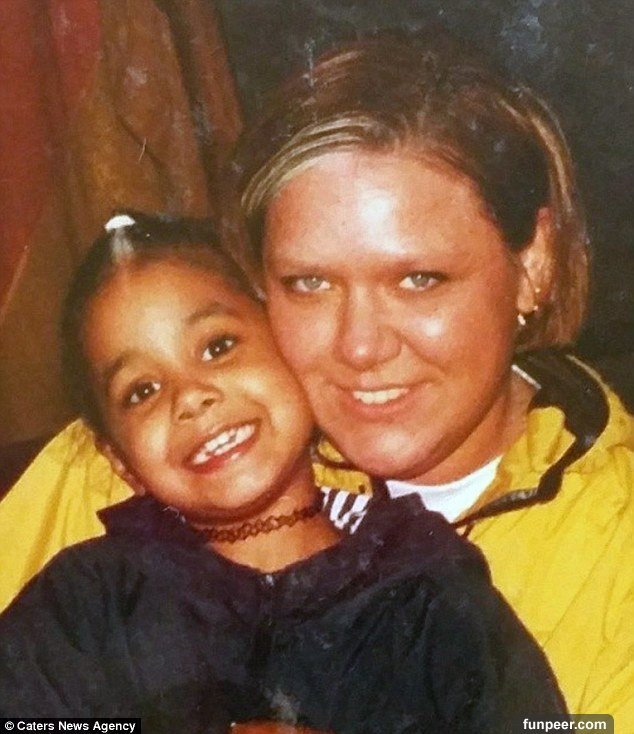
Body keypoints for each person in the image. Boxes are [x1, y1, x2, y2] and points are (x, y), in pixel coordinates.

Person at [0, 28, 632, 723]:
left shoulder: (613, 549)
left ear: (534, 263)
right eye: (309, 283)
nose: (359, 347)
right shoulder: (135, 462)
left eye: (419, 279)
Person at [0, 212, 566, 731]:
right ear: (121, 461)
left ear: (289, 345)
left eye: (218, 346)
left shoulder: (428, 592)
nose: (190, 397)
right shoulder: (88, 605)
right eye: (141, 391)